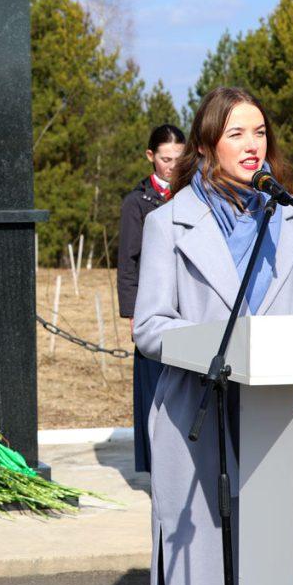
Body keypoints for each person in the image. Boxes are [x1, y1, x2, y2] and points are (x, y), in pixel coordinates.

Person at [133, 86, 293, 585]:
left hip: (279, 414)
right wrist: (221, 350)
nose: (253, 145)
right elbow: (150, 326)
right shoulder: (167, 224)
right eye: (237, 134)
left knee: (274, 562)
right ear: (206, 147)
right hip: (198, 416)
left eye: (260, 133)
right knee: (202, 570)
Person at [117, 124, 185, 473]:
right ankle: (157, 466)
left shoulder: (194, 195)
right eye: (164, 159)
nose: (171, 166)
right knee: (153, 386)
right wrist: (132, 312)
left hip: (188, 310)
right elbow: (128, 261)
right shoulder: (137, 202)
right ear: (150, 157)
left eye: (178, 158)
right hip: (152, 307)